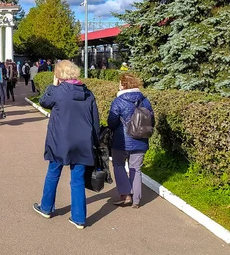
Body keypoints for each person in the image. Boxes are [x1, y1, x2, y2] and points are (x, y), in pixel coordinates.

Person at [33, 60, 100, 229]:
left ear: (59, 74)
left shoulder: (58, 92)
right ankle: (79, 218)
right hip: (83, 143)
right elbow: (95, 121)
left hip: (60, 141)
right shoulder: (88, 93)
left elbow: (43, 102)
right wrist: (96, 142)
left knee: (53, 173)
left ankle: (46, 207)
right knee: (77, 180)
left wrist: (53, 86)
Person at [107, 73, 154, 209]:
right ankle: (137, 200)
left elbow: (112, 122)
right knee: (136, 168)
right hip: (141, 140)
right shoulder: (145, 100)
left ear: (123, 84)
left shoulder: (118, 101)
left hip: (121, 141)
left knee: (119, 165)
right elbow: (152, 121)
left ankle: (125, 195)